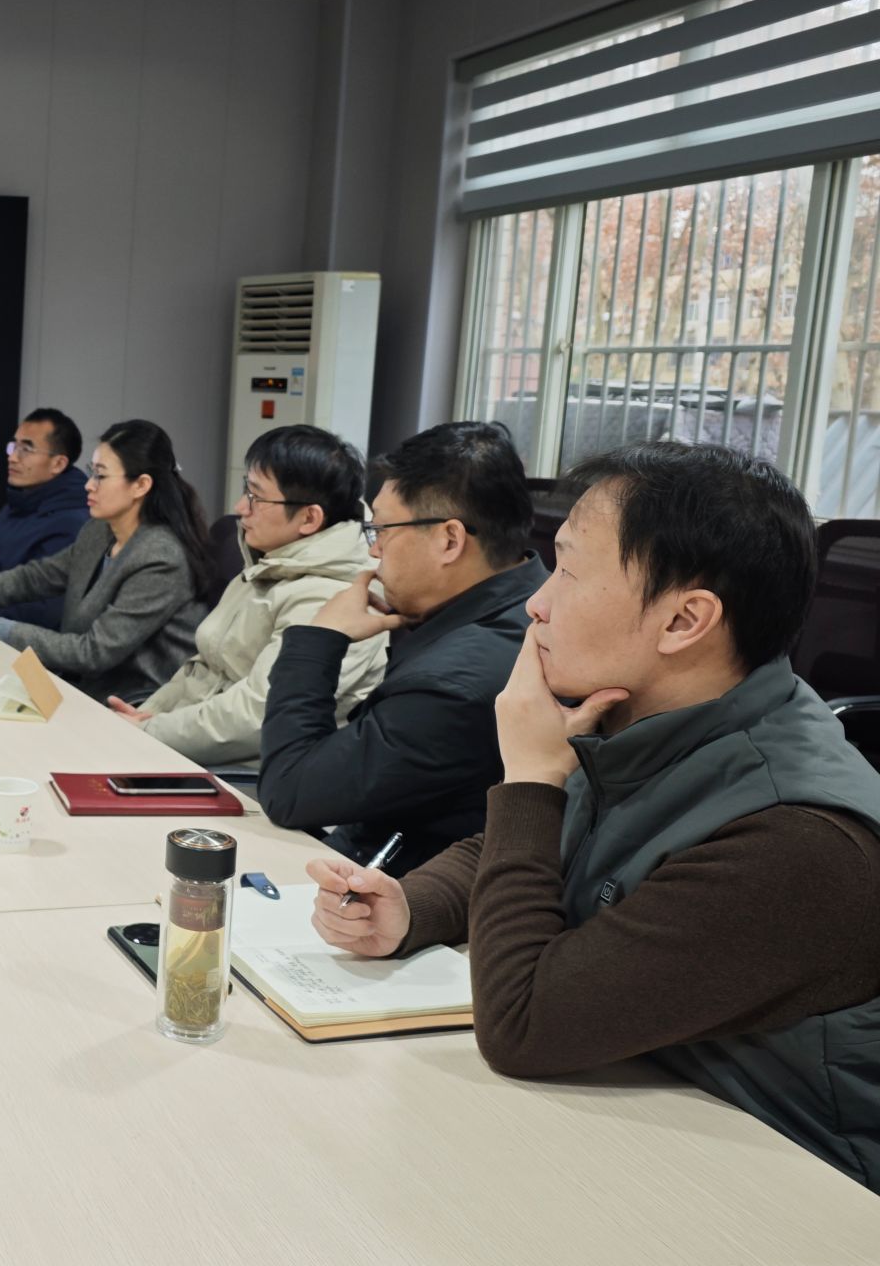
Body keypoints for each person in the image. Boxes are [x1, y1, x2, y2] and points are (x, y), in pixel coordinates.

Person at [308, 442, 880, 1189]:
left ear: (684, 620)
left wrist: (530, 775)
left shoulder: (797, 841)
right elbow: (547, 846)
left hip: (784, 1189)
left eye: (570, 572)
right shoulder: (664, 714)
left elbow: (524, 1026)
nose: (537, 603)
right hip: (639, 1123)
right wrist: (413, 906)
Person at [257, 420, 544, 875]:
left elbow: (289, 791)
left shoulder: (454, 684)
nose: (374, 552)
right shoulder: (527, 608)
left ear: (449, 540)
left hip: (397, 893)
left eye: (381, 531)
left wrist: (320, 638)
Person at [112, 425, 386, 767]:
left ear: (309, 518)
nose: (240, 507)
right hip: (189, 751)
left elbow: (256, 714)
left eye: (256, 496)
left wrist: (149, 732)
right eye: (246, 489)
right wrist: (146, 716)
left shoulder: (336, 597)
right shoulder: (268, 563)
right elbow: (204, 668)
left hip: (246, 775)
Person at [0, 419, 210, 705]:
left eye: (101, 476)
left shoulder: (161, 557)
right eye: (91, 472)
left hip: (134, 704)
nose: (88, 485)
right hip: (85, 688)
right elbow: (37, 577)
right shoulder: (99, 531)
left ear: (140, 485)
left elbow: (94, 652)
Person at [0, 409, 90, 629]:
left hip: (29, 642)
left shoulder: (72, 522)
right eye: (13, 446)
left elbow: (46, 611)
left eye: (26, 449)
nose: (13, 457)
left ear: (58, 464)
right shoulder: (14, 506)